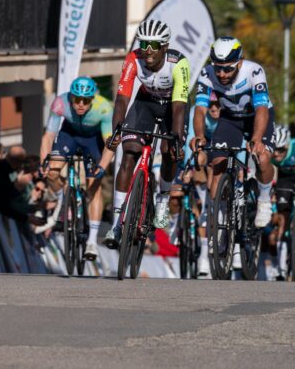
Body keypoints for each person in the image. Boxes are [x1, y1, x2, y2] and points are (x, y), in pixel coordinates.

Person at [104, 19, 189, 248]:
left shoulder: (178, 63)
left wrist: (177, 139)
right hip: (145, 104)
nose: (148, 50)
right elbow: (122, 97)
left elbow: (179, 106)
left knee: (169, 150)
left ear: (164, 46)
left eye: (154, 45)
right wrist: (117, 129)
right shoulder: (134, 58)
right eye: (144, 44)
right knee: (129, 154)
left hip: (173, 106)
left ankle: (162, 197)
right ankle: (117, 223)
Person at [191, 36, 276, 229]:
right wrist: (199, 135)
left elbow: (262, 108)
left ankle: (263, 199)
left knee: (262, 158)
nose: (221, 73)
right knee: (217, 164)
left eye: (228, 68)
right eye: (217, 68)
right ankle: (221, 222)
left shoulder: (254, 71)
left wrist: (256, 138)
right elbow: (200, 109)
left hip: (257, 117)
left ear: (240, 62)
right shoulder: (206, 73)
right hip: (230, 119)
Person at [39, 76, 115, 260]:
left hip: (93, 140)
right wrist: (44, 161)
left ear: (93, 99)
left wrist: (102, 167)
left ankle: (91, 242)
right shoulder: (60, 103)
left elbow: (109, 144)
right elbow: (48, 136)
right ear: (71, 97)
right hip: (69, 134)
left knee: (93, 186)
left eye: (86, 100)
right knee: (53, 171)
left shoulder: (103, 108)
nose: (80, 104)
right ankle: (63, 199)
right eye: (76, 99)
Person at [174, 96, 221, 277]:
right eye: (211, 104)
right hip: (204, 147)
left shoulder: (228, 114)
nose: (214, 108)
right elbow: (190, 143)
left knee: (216, 171)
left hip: (222, 148)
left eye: (218, 105)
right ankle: (203, 255)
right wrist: (188, 167)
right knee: (199, 160)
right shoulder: (198, 111)